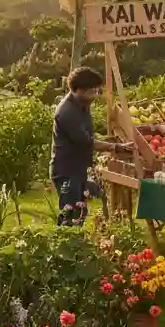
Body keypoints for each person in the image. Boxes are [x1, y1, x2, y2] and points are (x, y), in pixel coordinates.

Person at [51, 67, 130, 227]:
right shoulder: (67, 112)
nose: (96, 94)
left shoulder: (82, 104)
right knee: (71, 216)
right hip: (67, 171)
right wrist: (116, 147)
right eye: (92, 90)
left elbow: (88, 136)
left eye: (97, 89)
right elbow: (87, 142)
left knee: (79, 213)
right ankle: (67, 240)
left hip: (78, 168)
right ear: (78, 90)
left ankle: (74, 240)